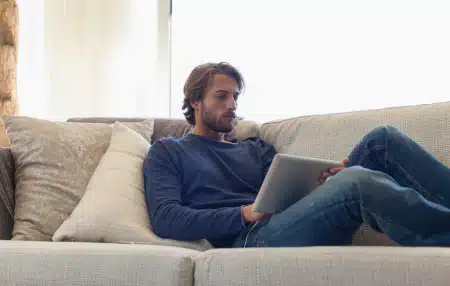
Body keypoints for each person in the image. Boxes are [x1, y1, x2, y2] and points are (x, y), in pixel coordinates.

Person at [143, 62, 450, 248]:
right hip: (248, 238)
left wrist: (326, 182)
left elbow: (289, 198)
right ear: (195, 101)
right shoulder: (169, 151)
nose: (232, 105)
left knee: (383, 140)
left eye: (236, 96)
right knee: (357, 183)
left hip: (288, 220)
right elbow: (167, 219)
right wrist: (242, 214)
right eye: (221, 96)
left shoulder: (256, 148)